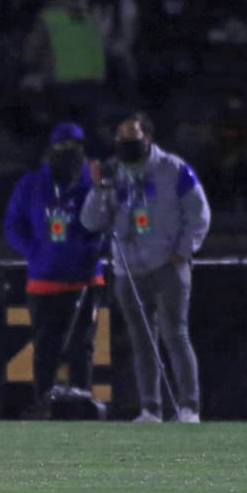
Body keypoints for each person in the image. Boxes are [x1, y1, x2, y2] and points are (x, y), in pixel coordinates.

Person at [81, 111, 211, 423]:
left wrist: (182, 251)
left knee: (175, 334)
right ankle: (150, 408)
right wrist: (98, 189)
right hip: (129, 268)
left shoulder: (173, 169)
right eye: (120, 137)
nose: (125, 142)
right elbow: (91, 222)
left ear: (147, 138)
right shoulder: (114, 173)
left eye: (132, 135)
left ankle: (189, 407)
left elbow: (199, 214)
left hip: (167, 267)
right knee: (142, 341)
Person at [3, 122, 105, 413]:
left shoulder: (91, 184)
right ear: (50, 150)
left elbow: (106, 218)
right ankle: (44, 404)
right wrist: (34, 253)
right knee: (45, 348)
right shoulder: (32, 184)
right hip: (44, 280)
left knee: (82, 349)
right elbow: (12, 225)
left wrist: (92, 250)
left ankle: (81, 403)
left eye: (75, 148)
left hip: (84, 279)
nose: (69, 154)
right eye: (63, 148)